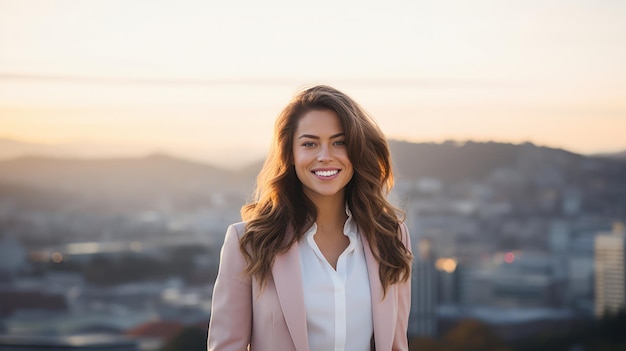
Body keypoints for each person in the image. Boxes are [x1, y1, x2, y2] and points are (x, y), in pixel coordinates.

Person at [207, 85, 413, 351]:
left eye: (340, 142)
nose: (325, 156)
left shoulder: (391, 236)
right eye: (309, 144)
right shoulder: (247, 241)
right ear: (290, 154)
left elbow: (396, 344)